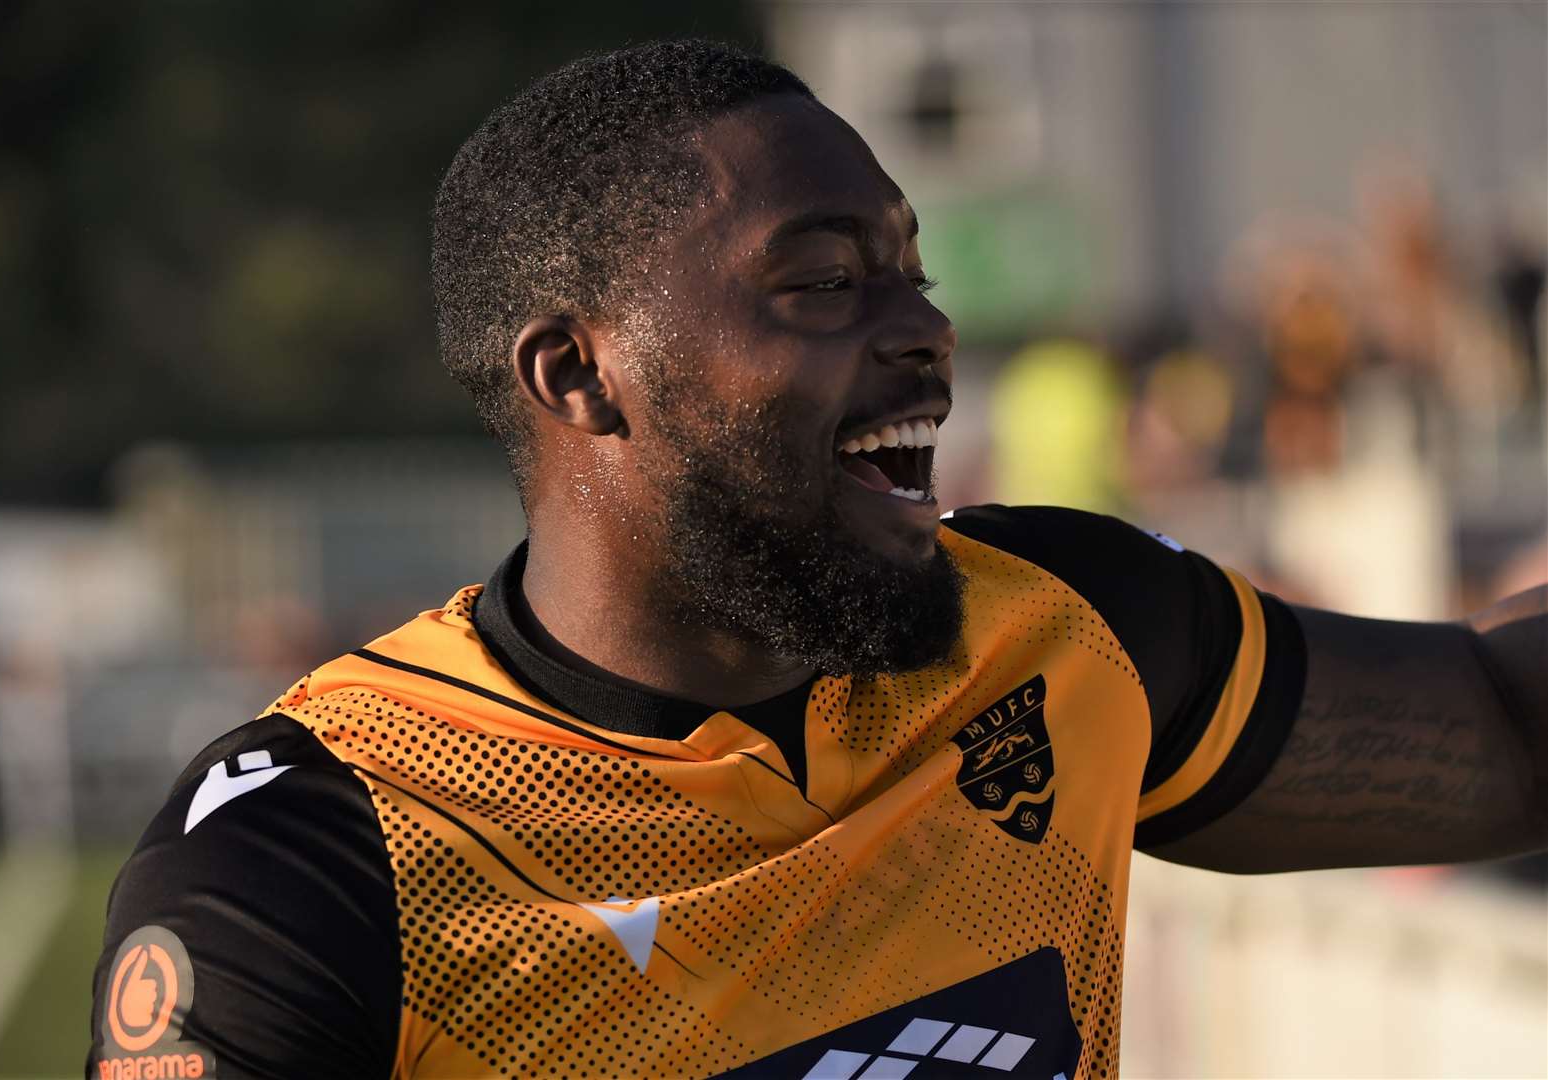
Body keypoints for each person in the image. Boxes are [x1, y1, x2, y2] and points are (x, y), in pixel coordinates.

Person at [87, 40, 1546, 1080]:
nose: (921, 326)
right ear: (579, 377)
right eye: (824, 281)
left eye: (911, 268)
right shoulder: (315, 860)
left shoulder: (1058, 628)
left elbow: (1501, 724)